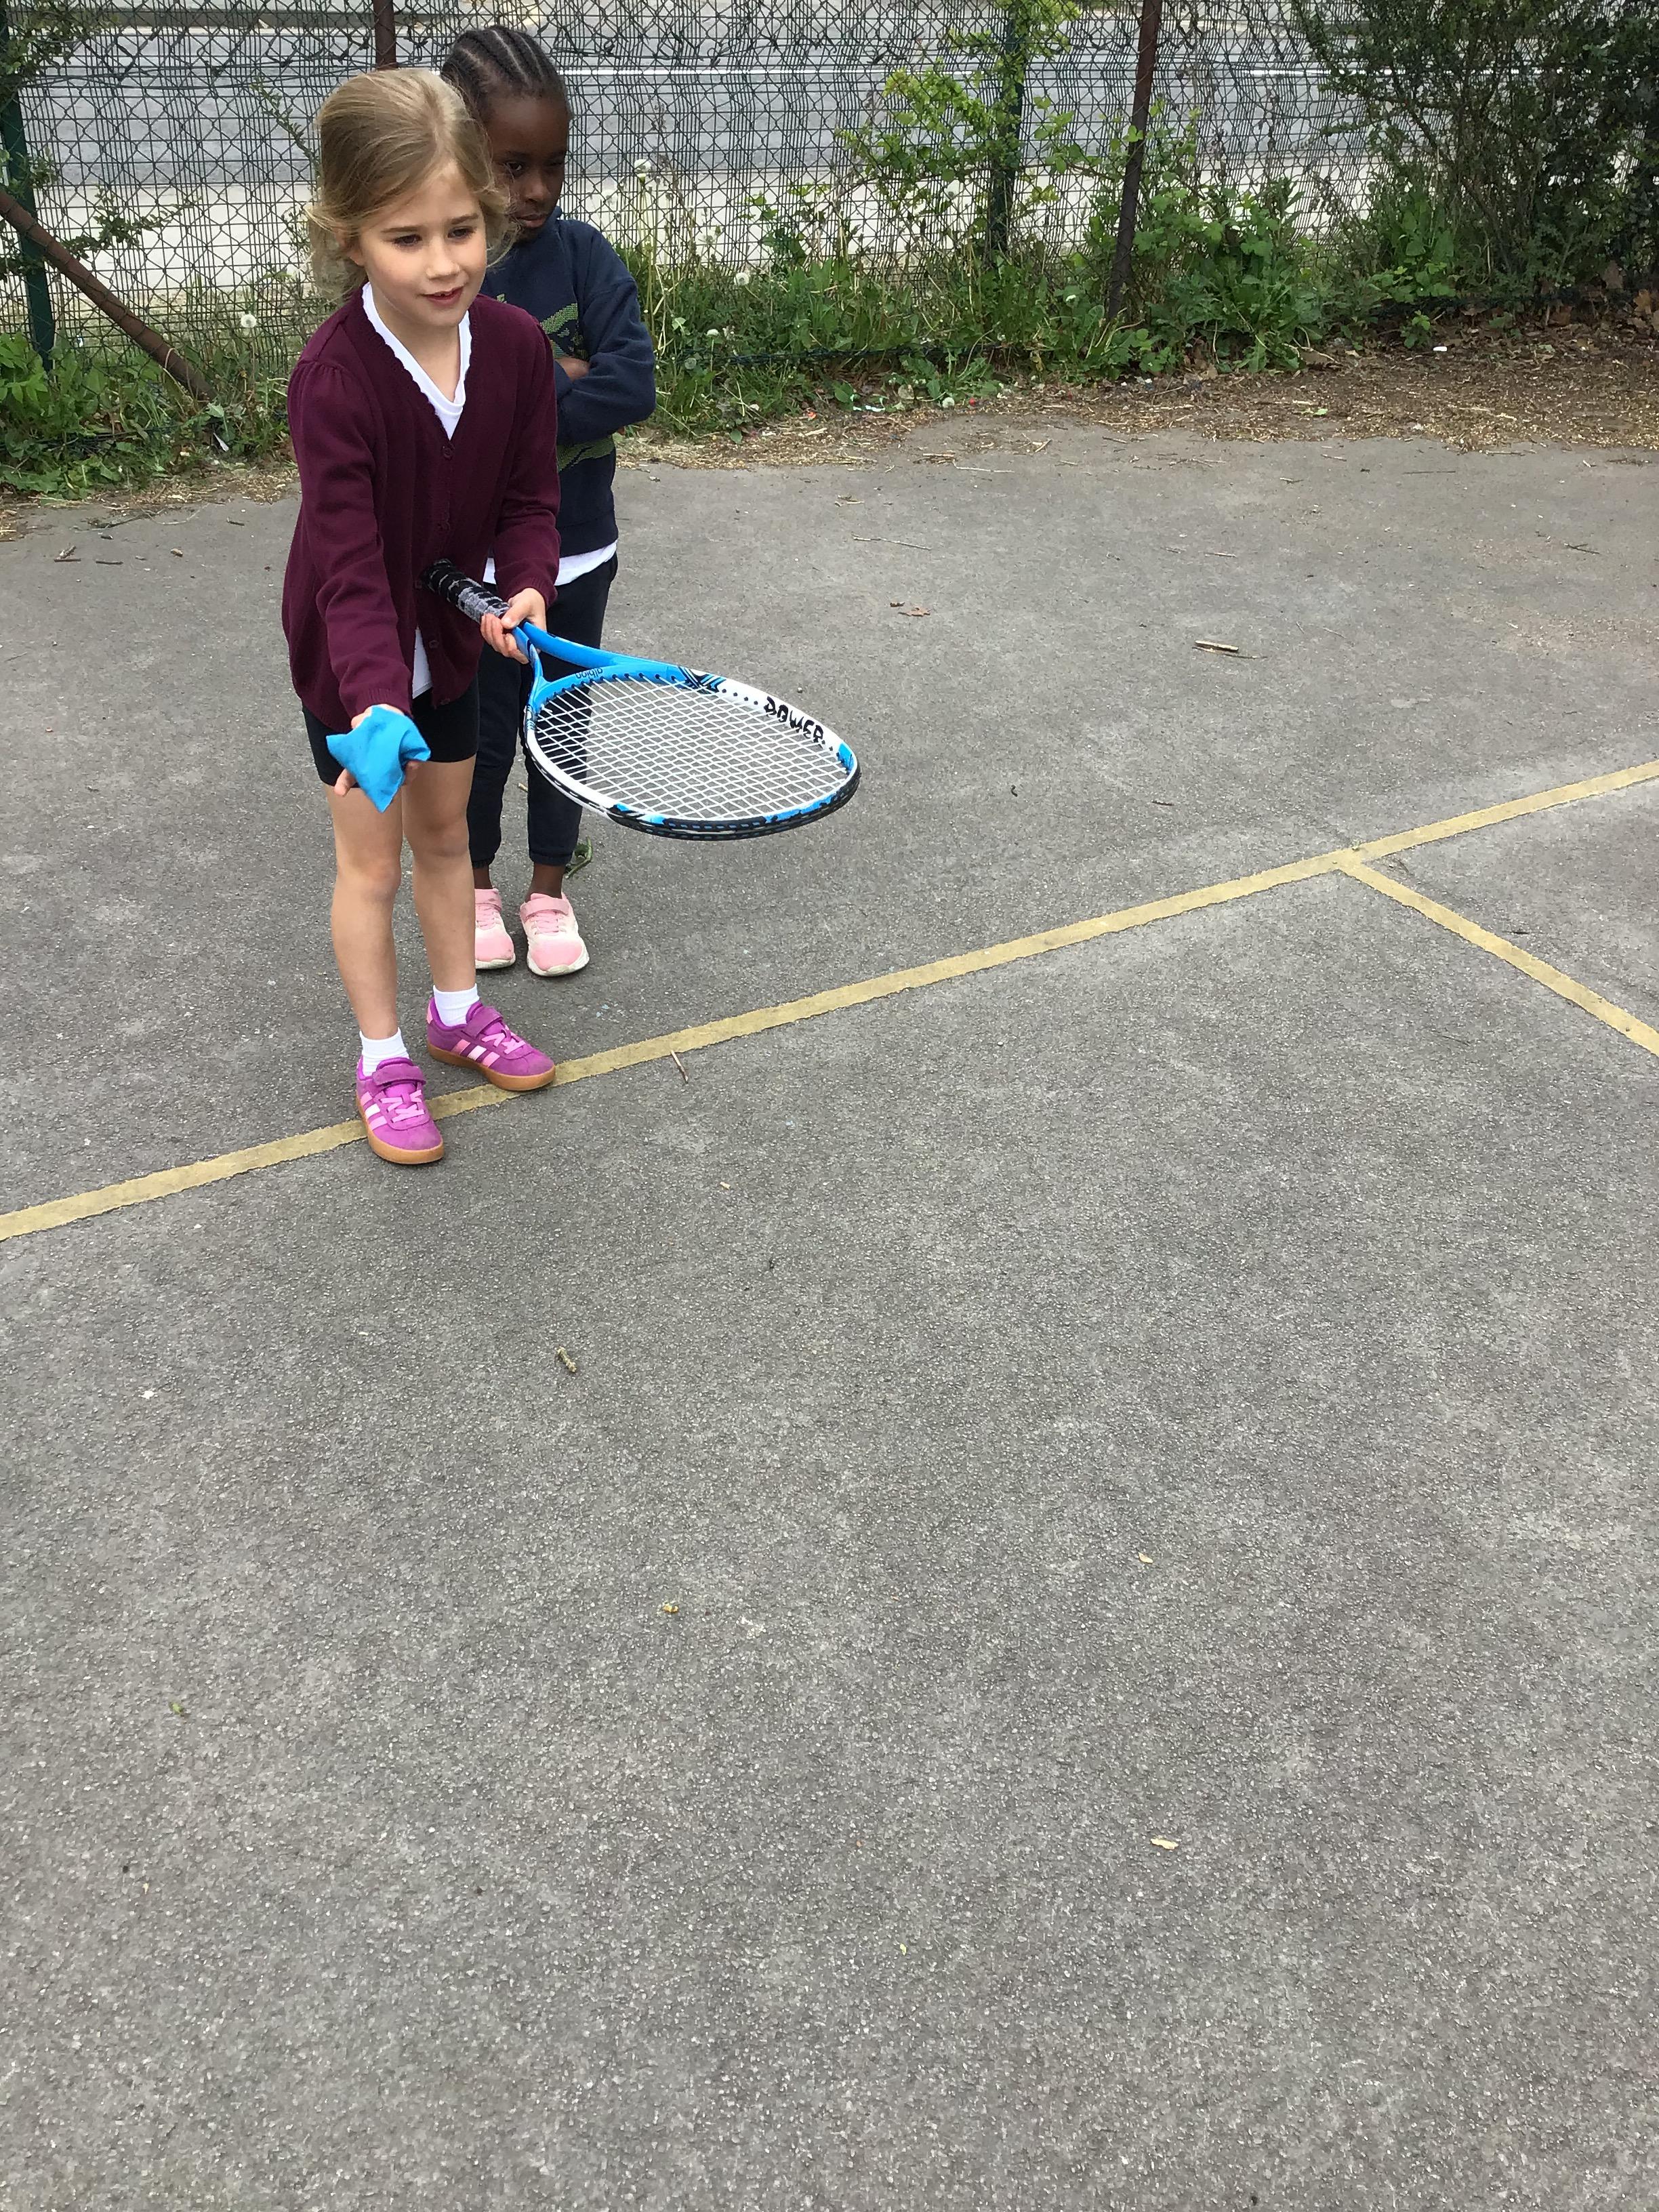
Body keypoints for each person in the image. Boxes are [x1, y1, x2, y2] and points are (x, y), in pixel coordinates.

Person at [283, 67, 563, 1167]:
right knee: (373, 867)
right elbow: (349, 569)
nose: (442, 263)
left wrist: (526, 582)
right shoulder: (333, 380)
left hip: (447, 649)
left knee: (449, 841)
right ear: (349, 237)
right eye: (406, 239)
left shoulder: (518, 349)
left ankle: (457, 1016)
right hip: (353, 673)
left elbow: (530, 502)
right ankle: (382, 1057)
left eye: (461, 230)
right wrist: (370, 704)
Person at [441, 26, 657, 980]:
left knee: (562, 731)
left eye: (554, 165)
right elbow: (447, 413)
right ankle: (477, 891)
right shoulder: (448, 273)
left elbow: (633, 383)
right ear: (463, 154)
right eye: (513, 165)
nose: (536, 189)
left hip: (580, 553)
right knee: (485, 737)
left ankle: (549, 893)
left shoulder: (584, 257)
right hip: (484, 572)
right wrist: (561, 375)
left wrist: (524, 399)